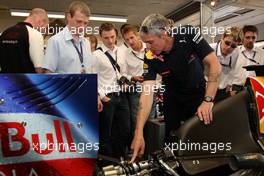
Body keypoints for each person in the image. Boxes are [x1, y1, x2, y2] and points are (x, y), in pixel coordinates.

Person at [130, 14, 221, 162]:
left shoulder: (188, 33)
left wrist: (208, 100)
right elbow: (146, 93)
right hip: (172, 96)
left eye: (150, 42)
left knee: (199, 137)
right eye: (145, 43)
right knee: (172, 138)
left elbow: (214, 64)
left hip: (197, 94)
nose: (147, 47)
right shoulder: (149, 56)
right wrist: (138, 132)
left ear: (164, 34)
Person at [93, 23, 130, 158]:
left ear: (116, 35)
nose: (110, 40)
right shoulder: (96, 55)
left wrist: (125, 81)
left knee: (124, 130)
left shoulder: (122, 51)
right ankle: (108, 162)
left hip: (122, 96)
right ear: (101, 37)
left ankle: (120, 159)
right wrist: (102, 96)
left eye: (112, 37)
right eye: (106, 37)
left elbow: (124, 71)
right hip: (107, 98)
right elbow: (93, 77)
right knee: (106, 133)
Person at [42, 1, 94, 74]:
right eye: (79, 21)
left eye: (85, 23)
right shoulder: (55, 41)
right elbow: (48, 73)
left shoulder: (86, 43)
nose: (82, 27)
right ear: (69, 17)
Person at [0, 8, 48, 73]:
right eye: (43, 27)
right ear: (40, 21)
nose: (41, 30)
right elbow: (39, 68)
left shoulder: (5, 32)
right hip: (26, 81)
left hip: (5, 80)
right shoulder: (34, 34)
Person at [121, 24, 146, 141]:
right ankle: (135, 145)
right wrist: (133, 77)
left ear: (138, 36)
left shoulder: (150, 47)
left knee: (151, 119)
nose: (130, 41)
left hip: (151, 89)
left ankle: (151, 146)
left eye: (132, 38)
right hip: (135, 90)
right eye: (127, 39)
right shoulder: (125, 54)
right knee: (136, 119)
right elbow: (123, 74)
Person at [213, 27, 241, 102]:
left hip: (223, 92)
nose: (229, 47)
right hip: (206, 91)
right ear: (222, 37)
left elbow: (233, 69)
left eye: (233, 46)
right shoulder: (210, 50)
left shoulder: (236, 52)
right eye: (227, 43)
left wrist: (230, 83)